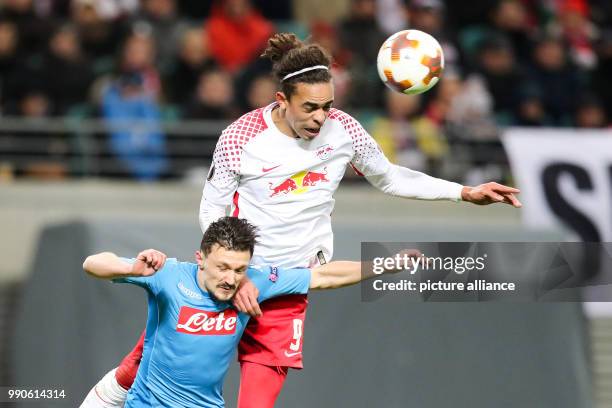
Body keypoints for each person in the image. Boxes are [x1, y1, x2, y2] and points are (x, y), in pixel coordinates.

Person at [90, 32, 522, 408]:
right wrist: (226, 271)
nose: (321, 117)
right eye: (311, 107)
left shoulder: (345, 131)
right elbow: (212, 207)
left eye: (328, 106)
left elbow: (389, 178)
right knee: (141, 370)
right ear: (282, 100)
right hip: (234, 279)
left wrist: (464, 192)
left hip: (289, 284)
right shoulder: (240, 137)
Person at [81, 217, 406, 407]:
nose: (230, 279)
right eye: (222, 267)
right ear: (200, 258)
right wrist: (135, 270)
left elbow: (323, 277)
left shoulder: (256, 284)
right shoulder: (167, 276)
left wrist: (385, 264)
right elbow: (93, 263)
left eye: (239, 269)